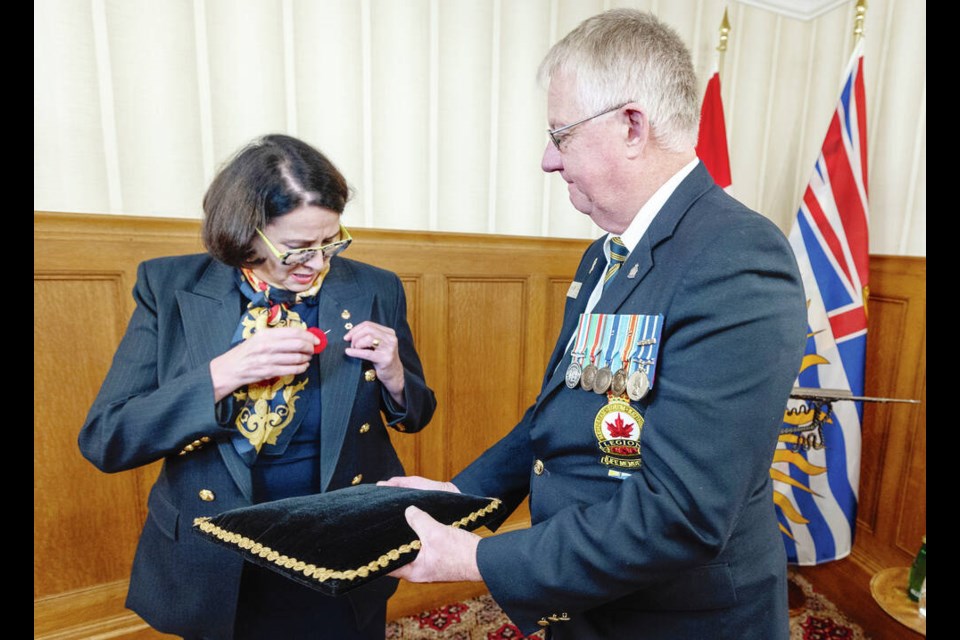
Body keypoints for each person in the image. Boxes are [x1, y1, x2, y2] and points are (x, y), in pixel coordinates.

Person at [380, 9, 808, 640]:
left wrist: (475, 558)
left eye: (562, 134)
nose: (548, 160)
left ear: (631, 125)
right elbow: (559, 417)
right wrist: (458, 499)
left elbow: (683, 512)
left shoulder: (736, 258)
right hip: (585, 594)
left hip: (676, 618)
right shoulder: (608, 251)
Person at [78, 133, 437, 640]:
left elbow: (417, 414)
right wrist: (224, 375)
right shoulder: (169, 287)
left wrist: (397, 376)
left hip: (339, 539)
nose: (317, 263)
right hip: (220, 549)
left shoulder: (375, 286)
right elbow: (107, 439)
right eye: (296, 248)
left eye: (331, 241)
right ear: (245, 232)